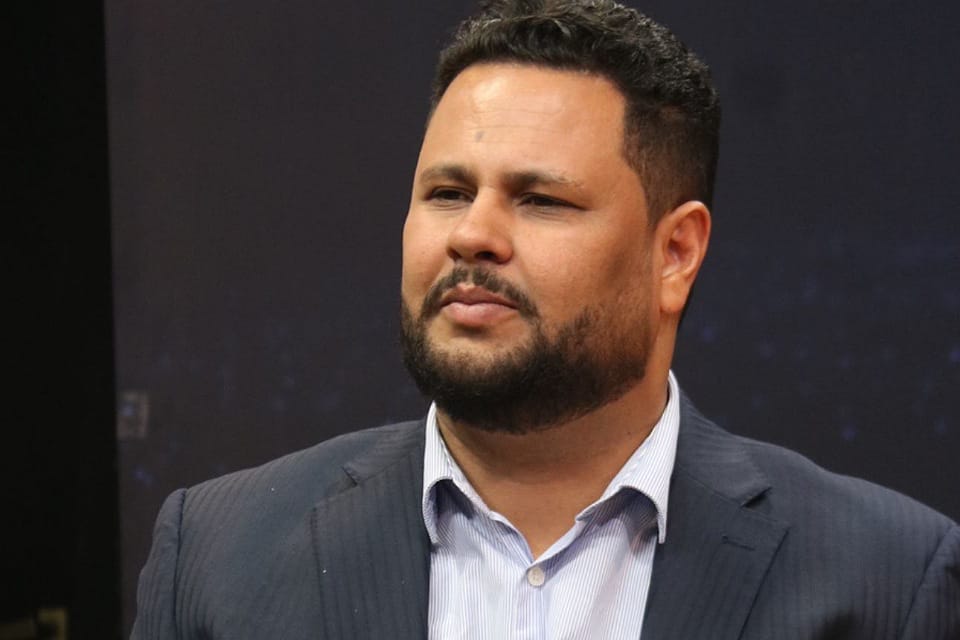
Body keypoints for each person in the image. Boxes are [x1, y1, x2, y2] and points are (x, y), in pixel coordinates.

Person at [130, 1, 960, 638]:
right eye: (447, 192)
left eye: (540, 201)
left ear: (675, 254)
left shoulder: (886, 579)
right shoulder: (215, 557)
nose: (473, 235)